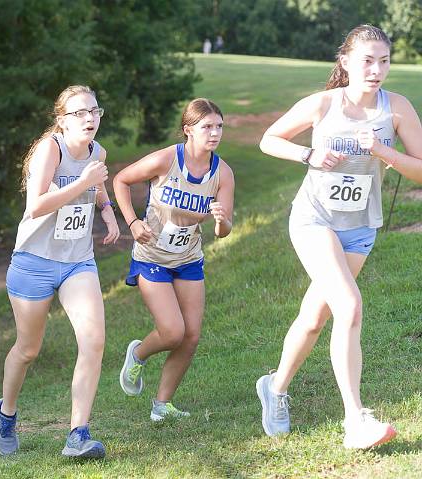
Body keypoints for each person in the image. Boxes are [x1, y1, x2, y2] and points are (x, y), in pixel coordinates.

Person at [256, 24, 422, 449]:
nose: (376, 69)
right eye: (367, 60)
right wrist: (309, 154)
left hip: (361, 228)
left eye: (384, 61)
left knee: (316, 318)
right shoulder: (322, 104)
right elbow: (269, 139)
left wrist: (383, 151)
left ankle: (274, 388)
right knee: (349, 305)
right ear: (346, 62)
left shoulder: (397, 107)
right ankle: (355, 420)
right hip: (314, 219)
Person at [0, 85, 119, 458]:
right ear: (61, 120)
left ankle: (78, 434)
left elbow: (97, 186)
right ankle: (6, 413)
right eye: (79, 113)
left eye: (94, 111)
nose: (89, 119)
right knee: (28, 349)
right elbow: (36, 206)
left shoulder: (98, 151)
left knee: (94, 340)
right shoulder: (52, 149)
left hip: (77, 260)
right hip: (34, 260)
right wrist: (83, 183)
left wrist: (107, 209)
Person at [114, 98, 234, 421]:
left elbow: (224, 231)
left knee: (191, 335)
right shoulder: (167, 160)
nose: (214, 133)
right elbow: (121, 180)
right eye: (206, 127)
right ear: (188, 130)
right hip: (152, 255)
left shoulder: (222, 173)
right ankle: (137, 355)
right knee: (172, 332)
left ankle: (162, 406)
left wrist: (221, 220)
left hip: (189, 257)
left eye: (219, 126)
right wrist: (133, 222)